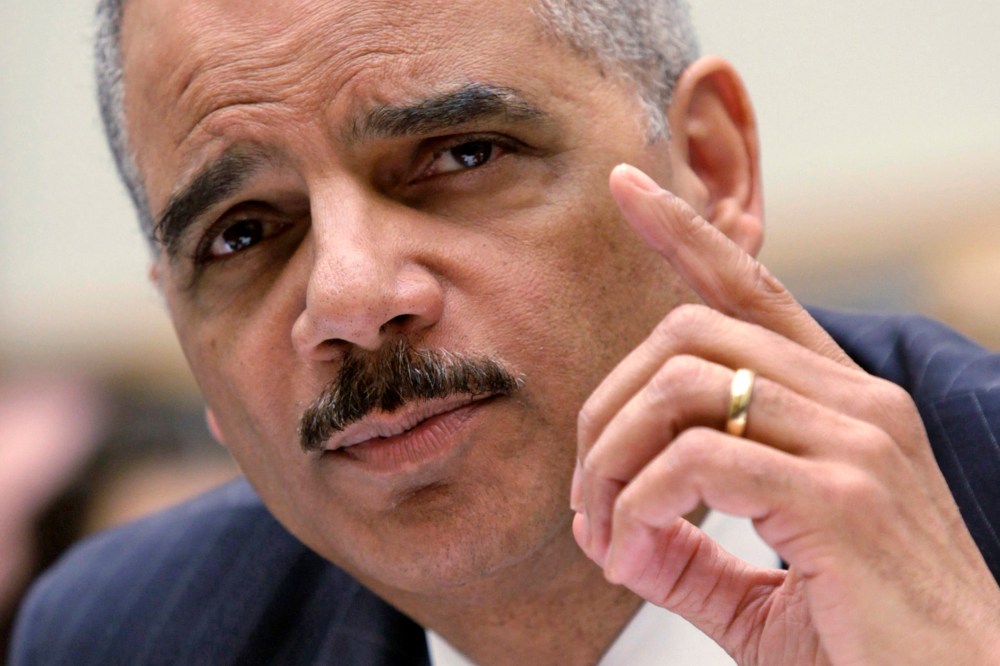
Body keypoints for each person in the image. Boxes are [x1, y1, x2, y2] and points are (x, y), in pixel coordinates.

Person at [9, 0, 1000, 663]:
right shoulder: (126, 635)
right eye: (243, 235)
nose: (350, 297)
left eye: (463, 153)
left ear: (710, 168)